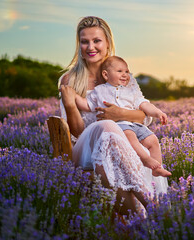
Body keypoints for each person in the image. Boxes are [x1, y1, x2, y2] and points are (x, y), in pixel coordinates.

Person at [58, 16, 168, 217]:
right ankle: (152, 209)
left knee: (113, 149)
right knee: (106, 127)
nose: (90, 46)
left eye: (96, 40)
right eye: (84, 41)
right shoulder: (69, 79)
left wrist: (120, 114)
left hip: (123, 145)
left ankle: (139, 221)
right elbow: (76, 131)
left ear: (107, 43)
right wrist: (69, 104)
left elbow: (143, 117)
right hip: (84, 149)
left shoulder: (122, 74)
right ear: (79, 44)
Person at [74, 56, 171, 178]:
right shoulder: (100, 91)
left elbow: (144, 104)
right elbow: (87, 105)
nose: (125, 74)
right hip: (117, 125)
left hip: (135, 124)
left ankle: (158, 168)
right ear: (106, 74)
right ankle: (146, 159)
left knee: (153, 140)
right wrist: (74, 97)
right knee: (130, 137)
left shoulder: (130, 91)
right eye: (120, 71)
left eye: (127, 71)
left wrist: (158, 113)